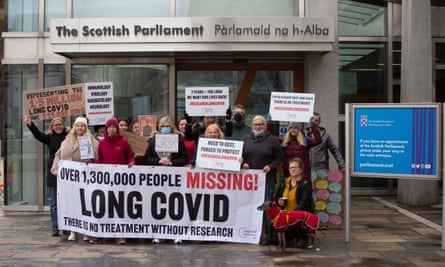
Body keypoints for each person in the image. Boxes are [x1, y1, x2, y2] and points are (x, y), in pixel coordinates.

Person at [51, 116, 99, 242]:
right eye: (78, 125)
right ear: (74, 127)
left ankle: (85, 231)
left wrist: (92, 161)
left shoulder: (91, 140)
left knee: (85, 204)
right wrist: (55, 168)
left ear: (86, 127)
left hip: (85, 177)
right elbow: (58, 154)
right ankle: (73, 231)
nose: (80, 128)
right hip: (70, 179)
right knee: (72, 204)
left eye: (82, 126)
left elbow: (98, 155)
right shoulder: (67, 140)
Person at [144, 116, 188, 244]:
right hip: (158, 178)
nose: (165, 129)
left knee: (175, 205)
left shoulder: (179, 140)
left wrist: (172, 162)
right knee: (159, 205)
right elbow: (147, 158)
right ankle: (158, 233)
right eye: (163, 127)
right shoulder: (153, 141)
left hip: (174, 178)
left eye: (168, 126)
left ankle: (176, 232)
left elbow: (184, 158)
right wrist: (159, 161)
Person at [91, 118, 135, 245]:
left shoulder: (124, 142)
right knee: (103, 207)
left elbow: (130, 157)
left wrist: (131, 163)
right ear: (106, 129)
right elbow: (100, 160)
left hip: (120, 181)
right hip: (106, 181)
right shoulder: (102, 143)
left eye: (114, 127)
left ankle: (120, 235)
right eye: (109, 127)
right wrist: (92, 165)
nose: (111, 129)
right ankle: (98, 234)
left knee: (119, 208)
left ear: (117, 129)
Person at [24, 115, 69, 237]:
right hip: (53, 173)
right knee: (54, 203)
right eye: (56, 125)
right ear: (52, 127)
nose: (58, 126)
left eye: (60, 124)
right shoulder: (49, 138)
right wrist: (30, 123)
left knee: (65, 202)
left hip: (67, 173)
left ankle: (66, 227)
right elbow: (38, 134)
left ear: (63, 126)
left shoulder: (69, 137)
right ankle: (55, 227)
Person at [241, 115, 283, 245]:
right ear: (252, 126)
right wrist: (243, 164)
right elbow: (240, 156)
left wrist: (270, 166)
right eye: (255, 124)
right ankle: (249, 233)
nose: (257, 127)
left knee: (266, 207)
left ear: (264, 126)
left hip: (267, 179)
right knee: (249, 206)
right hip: (249, 181)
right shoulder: (245, 139)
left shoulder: (272, 140)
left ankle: (268, 234)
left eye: (260, 124)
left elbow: (279, 157)